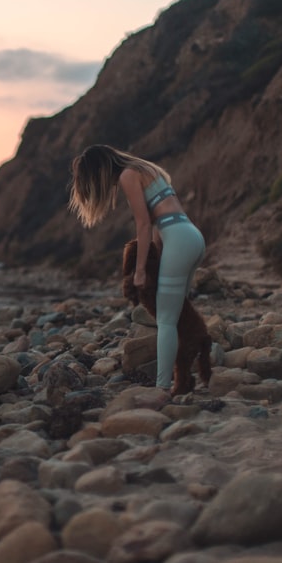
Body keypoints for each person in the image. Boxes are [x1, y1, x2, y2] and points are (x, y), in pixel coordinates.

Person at [68, 144, 205, 393]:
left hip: (178, 240)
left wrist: (140, 270)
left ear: (100, 170)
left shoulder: (127, 175)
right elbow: (156, 224)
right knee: (178, 317)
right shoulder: (147, 171)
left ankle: (162, 390)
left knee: (166, 321)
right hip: (192, 237)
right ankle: (185, 379)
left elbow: (142, 225)